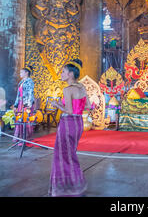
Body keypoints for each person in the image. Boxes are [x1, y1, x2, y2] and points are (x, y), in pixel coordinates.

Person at [49, 58, 92, 197]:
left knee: (62, 156)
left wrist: (56, 105)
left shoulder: (68, 89)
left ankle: (67, 188)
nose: (61, 74)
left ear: (71, 74)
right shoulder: (81, 87)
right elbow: (88, 106)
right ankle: (76, 184)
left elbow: (69, 111)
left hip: (68, 124)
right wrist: (74, 107)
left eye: (63, 71)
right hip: (78, 123)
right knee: (70, 154)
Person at [13, 66, 35, 144]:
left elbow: (30, 94)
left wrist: (28, 105)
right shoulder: (21, 82)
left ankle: (25, 139)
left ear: (27, 73)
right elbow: (18, 95)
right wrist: (15, 105)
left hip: (26, 104)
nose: (20, 74)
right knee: (19, 119)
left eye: (22, 72)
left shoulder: (30, 82)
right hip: (20, 103)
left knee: (25, 119)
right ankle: (19, 138)